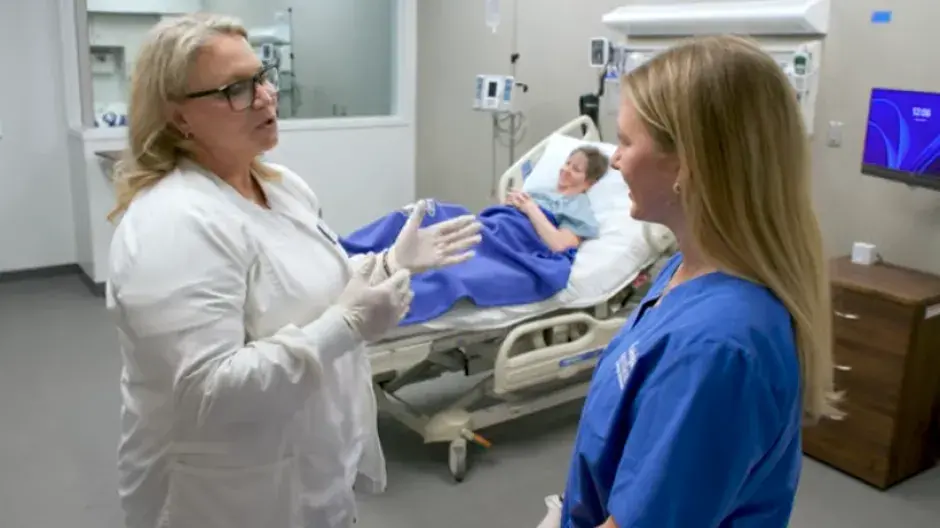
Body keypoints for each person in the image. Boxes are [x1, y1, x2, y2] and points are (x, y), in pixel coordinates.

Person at [104, 13, 481, 528]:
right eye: (236, 89)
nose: (265, 96)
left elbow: (306, 290)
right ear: (178, 117)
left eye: (262, 77)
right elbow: (208, 394)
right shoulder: (172, 224)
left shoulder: (281, 186)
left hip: (310, 472)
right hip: (222, 500)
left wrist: (391, 262)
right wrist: (345, 326)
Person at [540, 35, 842, 528]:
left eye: (626, 142)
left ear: (686, 163)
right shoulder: (683, 272)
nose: (614, 160)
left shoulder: (718, 346)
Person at [504, 146, 609, 251]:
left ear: (589, 182)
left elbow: (560, 245)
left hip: (515, 242)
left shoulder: (578, 206)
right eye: (567, 163)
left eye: (576, 169)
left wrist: (530, 208)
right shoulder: (539, 191)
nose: (566, 170)